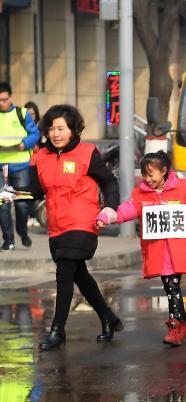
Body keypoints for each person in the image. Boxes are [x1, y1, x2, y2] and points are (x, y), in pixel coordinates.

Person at [29, 104, 122, 350]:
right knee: (78, 274)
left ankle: (57, 330)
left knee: (64, 274)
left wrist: (110, 207)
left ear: (73, 130)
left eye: (61, 128)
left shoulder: (87, 153)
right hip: (56, 226)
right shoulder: (41, 157)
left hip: (83, 222)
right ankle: (108, 317)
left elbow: (109, 181)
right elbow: (36, 191)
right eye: (51, 128)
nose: (56, 133)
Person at [97, 152, 186, 347]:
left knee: (172, 285)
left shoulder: (182, 188)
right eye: (145, 174)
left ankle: (175, 327)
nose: (147, 179)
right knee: (171, 285)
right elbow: (128, 209)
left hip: (179, 249)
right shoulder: (141, 194)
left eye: (151, 174)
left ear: (164, 171)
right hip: (159, 251)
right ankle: (182, 324)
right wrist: (110, 216)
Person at [0, 82, 41, 250]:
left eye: (4, 99)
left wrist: (25, 144)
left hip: (20, 166)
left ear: (11, 97)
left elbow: (35, 134)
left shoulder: (21, 114)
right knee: (3, 206)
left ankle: (22, 232)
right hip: (1, 167)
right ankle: (8, 240)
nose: (1, 103)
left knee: (22, 205)